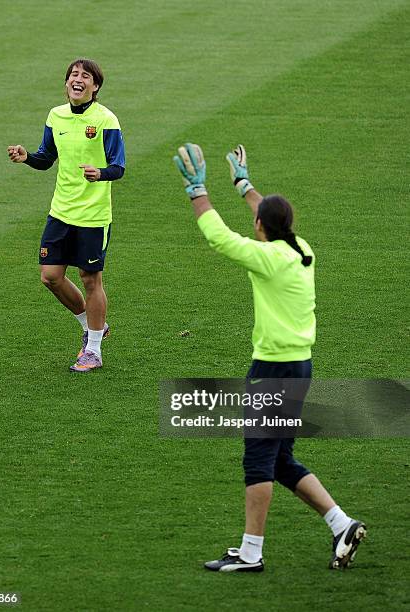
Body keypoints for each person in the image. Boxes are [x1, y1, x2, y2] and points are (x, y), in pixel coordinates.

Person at [173, 143, 366, 572]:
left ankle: (251, 554)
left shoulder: (267, 259)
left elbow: (218, 237)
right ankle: (341, 523)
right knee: (279, 459)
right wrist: (245, 185)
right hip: (300, 367)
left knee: (258, 459)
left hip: (273, 371)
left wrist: (197, 190)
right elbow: (271, 217)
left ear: (260, 227)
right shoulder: (301, 249)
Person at [8, 58, 125, 372]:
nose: (78, 79)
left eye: (85, 76)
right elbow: (47, 158)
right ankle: (93, 325)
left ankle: (94, 351)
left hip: (93, 216)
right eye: (73, 74)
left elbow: (119, 166)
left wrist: (100, 173)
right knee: (50, 276)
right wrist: (27, 158)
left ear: (95, 86)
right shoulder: (55, 115)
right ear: (67, 83)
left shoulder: (106, 120)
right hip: (60, 212)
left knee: (90, 278)